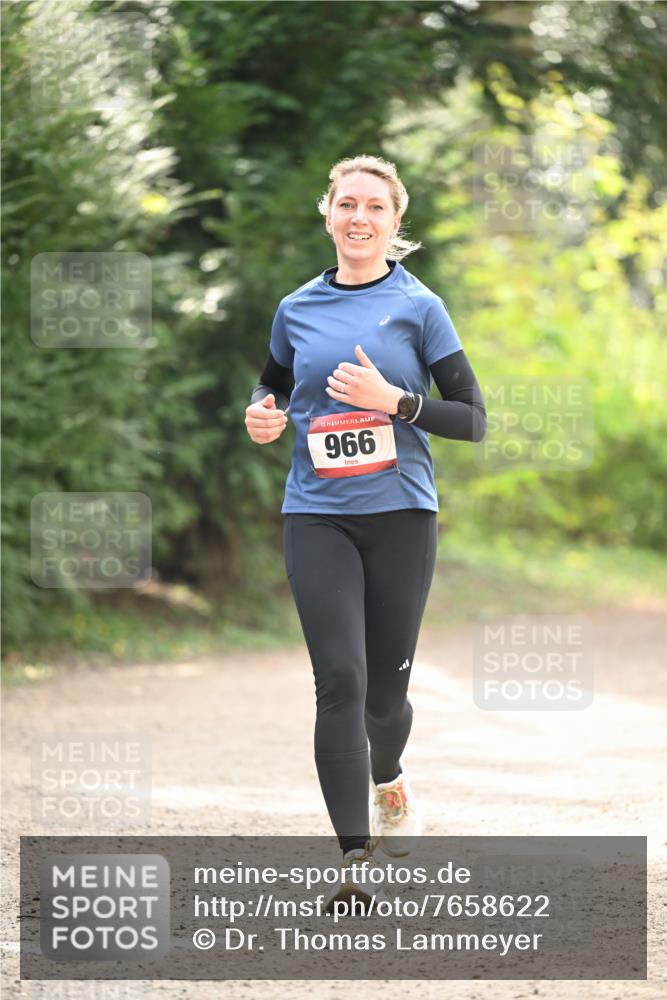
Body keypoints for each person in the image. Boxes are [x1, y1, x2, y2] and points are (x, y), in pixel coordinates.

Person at [245, 154, 486, 912]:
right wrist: (261, 411)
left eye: (373, 207)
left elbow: (472, 419)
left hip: (400, 517)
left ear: (392, 221)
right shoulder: (297, 308)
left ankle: (389, 776)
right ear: (327, 214)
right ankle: (355, 859)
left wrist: (396, 401)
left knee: (385, 695)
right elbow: (273, 383)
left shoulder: (420, 307)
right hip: (315, 513)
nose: (358, 217)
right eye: (346, 203)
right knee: (339, 682)